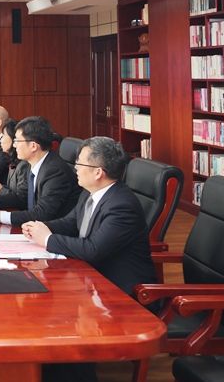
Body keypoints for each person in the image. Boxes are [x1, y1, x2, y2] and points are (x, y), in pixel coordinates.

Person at [23, 137, 157, 382]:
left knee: (55, 320)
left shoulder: (121, 205)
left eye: (80, 163)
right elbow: (71, 223)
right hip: (93, 280)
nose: (74, 167)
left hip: (121, 293)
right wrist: (37, 227)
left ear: (98, 172)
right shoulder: (90, 193)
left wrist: (49, 239)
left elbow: (94, 249)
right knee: (41, 310)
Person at [0, 116, 80, 227]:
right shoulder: (34, 163)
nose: (14, 145)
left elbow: (42, 214)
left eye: (17, 141)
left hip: (51, 232)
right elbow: (21, 196)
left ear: (33, 146)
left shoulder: (55, 172)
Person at [0, 119, 30, 200]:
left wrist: (1, 190)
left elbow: (22, 197)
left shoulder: (23, 165)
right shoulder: (13, 161)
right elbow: (13, 189)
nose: (1, 141)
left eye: (3, 136)